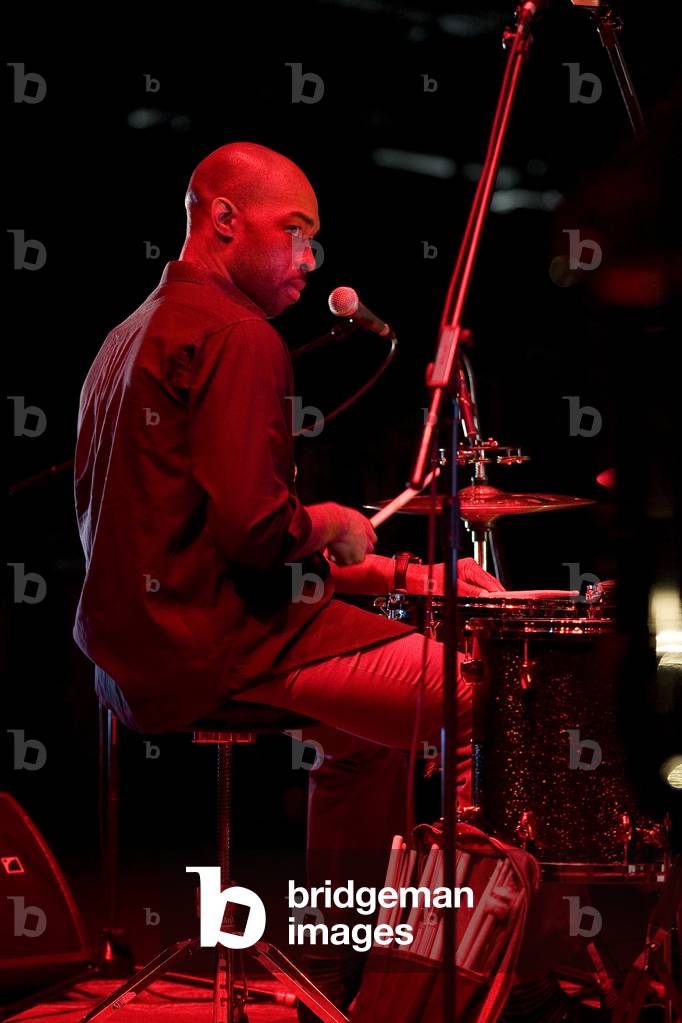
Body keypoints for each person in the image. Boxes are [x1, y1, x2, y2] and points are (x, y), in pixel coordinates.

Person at [72, 141, 503, 1017]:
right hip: (218, 648)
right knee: (477, 691)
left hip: (129, 660)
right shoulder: (241, 335)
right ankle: (451, 982)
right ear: (225, 221)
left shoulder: (127, 335)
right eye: (296, 233)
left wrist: (406, 569)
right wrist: (336, 523)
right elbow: (259, 533)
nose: (311, 260)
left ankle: (354, 967)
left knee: (360, 737)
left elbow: (202, 540)